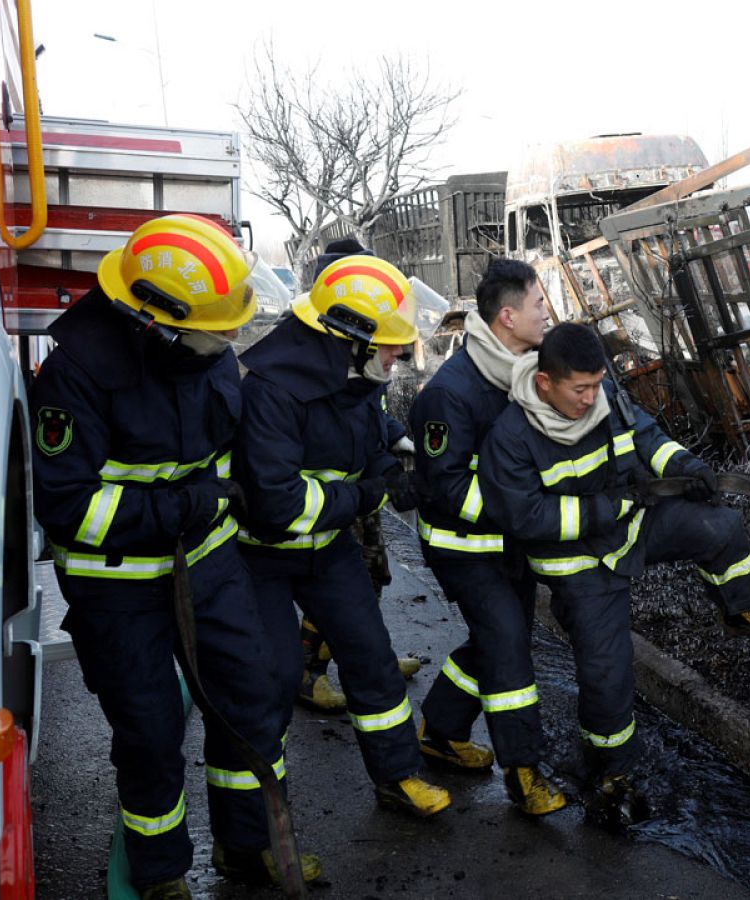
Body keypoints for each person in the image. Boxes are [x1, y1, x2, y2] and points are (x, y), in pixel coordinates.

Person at [29, 214, 320, 898]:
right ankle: (161, 876)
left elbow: (227, 446)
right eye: (218, 328)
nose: (230, 338)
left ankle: (244, 846)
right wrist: (179, 508)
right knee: (153, 733)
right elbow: (70, 508)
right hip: (120, 588)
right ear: (154, 322)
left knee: (254, 701)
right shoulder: (73, 380)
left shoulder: (203, 347)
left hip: (211, 568)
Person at [478, 322, 750, 807]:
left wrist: (686, 467)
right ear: (545, 383)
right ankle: (611, 770)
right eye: (579, 389)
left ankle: (741, 611)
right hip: (581, 566)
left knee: (721, 527)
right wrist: (607, 508)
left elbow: (647, 437)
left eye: (596, 385)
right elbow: (526, 517)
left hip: (632, 526)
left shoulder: (605, 394)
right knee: (608, 675)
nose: (591, 399)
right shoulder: (511, 438)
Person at [232, 253, 451, 819]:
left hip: (327, 550)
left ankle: (398, 776)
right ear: (349, 337)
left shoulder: (350, 371)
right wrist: (369, 494)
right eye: (389, 344)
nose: (399, 355)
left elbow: (366, 428)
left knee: (373, 660)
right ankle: (258, 826)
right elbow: (279, 505)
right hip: (262, 559)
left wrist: (394, 457)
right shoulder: (272, 392)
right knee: (272, 683)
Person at [409, 258, 568, 814]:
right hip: (464, 550)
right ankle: (524, 774)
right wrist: (523, 515)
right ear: (507, 316)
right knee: (506, 648)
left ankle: (441, 729)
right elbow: (445, 487)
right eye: (538, 304)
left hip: (509, 544)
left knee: (501, 639)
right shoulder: (450, 395)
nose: (546, 312)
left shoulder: (523, 371)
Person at [288, 238, 422, 713]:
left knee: (371, 578)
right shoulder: (329, 342)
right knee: (343, 586)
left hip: (360, 476)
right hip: (331, 490)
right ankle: (309, 672)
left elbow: (368, 406)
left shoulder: (363, 344)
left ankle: (368, 657)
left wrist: (392, 437)